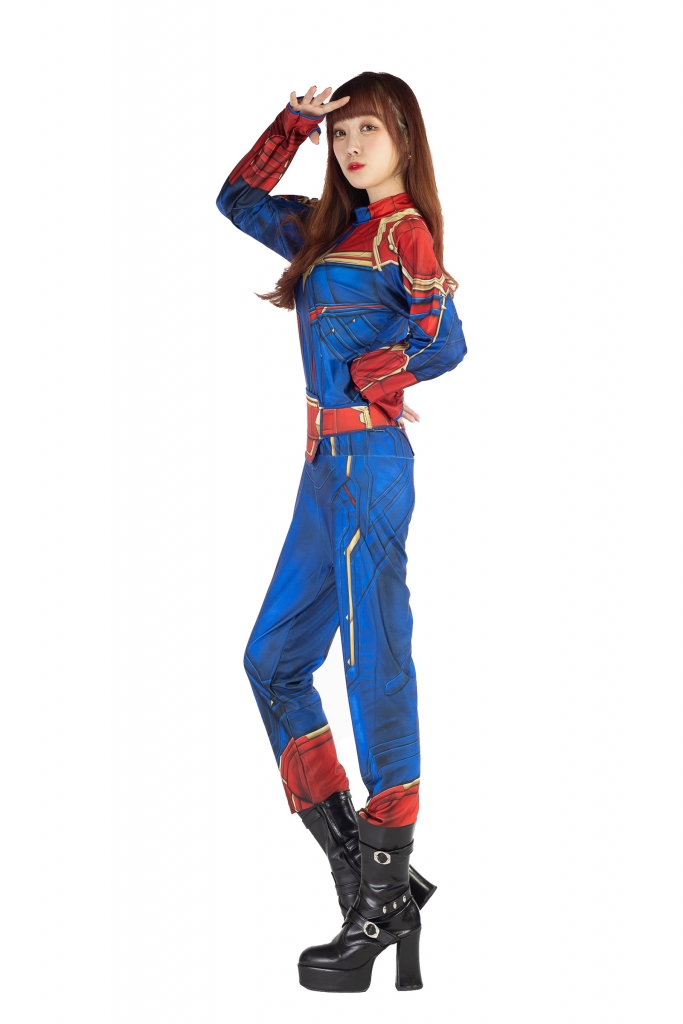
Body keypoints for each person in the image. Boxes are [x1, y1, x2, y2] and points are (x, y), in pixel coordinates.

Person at [216, 71, 467, 993]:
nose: (353, 146)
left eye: (370, 129)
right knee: (273, 661)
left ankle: (384, 890)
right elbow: (237, 200)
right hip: (325, 469)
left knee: (373, 664)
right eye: (342, 132)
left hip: (370, 467)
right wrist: (293, 123)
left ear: (405, 138)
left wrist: (377, 374)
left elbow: (446, 341)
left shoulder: (404, 233)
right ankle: (361, 868)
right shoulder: (325, 233)